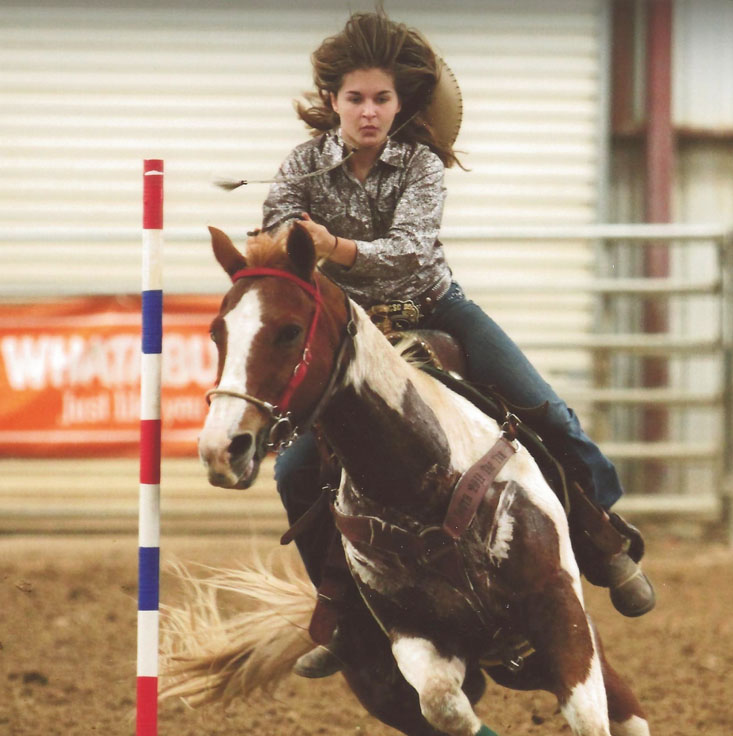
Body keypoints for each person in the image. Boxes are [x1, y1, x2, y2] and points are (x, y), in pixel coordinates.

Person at [261, 10, 654, 678]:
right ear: (333, 101)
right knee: (294, 471)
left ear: (401, 102)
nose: (367, 111)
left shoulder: (419, 164)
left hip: (436, 306)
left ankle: (600, 538)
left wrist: (330, 246)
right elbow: (275, 249)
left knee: (545, 412)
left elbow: (410, 253)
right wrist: (273, 244)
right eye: (355, 98)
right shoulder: (299, 168)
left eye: (381, 98)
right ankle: (345, 615)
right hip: (358, 336)